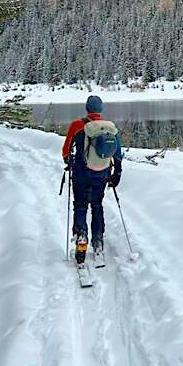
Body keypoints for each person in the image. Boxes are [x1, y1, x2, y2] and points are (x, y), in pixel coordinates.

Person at [62, 95, 123, 265]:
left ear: (87, 108)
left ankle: (81, 240)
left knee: (80, 205)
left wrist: (69, 161)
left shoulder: (77, 125)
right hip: (101, 173)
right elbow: (117, 153)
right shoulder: (109, 127)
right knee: (97, 205)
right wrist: (117, 173)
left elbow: (66, 150)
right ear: (100, 109)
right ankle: (98, 242)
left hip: (81, 174)